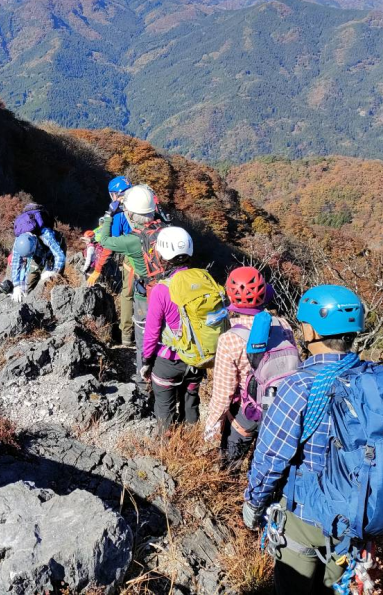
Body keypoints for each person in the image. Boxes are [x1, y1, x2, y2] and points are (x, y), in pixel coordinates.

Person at [242, 285, 366, 594]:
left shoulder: (298, 386)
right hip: (356, 518)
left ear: (309, 329)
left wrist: (254, 504)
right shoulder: (370, 380)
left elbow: (271, 456)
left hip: (305, 516)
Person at [203, 266, 297, 467]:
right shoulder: (284, 325)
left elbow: (223, 394)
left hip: (245, 415)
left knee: (230, 465)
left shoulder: (229, 339)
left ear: (230, 295)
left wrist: (210, 428)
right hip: (281, 409)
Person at [140, 226, 226, 431]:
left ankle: (166, 452)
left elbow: (151, 332)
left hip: (169, 362)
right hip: (198, 358)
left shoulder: (162, 289)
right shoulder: (206, 279)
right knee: (191, 404)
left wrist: (146, 361)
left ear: (161, 255)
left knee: (165, 411)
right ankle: (192, 445)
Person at [94, 184, 156, 347]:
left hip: (133, 260)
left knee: (128, 295)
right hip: (157, 269)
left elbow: (106, 243)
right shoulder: (159, 227)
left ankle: (127, 336)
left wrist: (97, 268)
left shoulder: (121, 218)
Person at [7, 204, 66, 302]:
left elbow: (60, 255)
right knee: (28, 282)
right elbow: (16, 263)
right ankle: (26, 298)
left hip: (53, 250)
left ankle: (53, 301)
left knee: (51, 281)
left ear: (34, 243)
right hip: (37, 253)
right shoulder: (18, 242)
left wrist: (53, 271)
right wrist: (16, 285)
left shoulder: (46, 234)